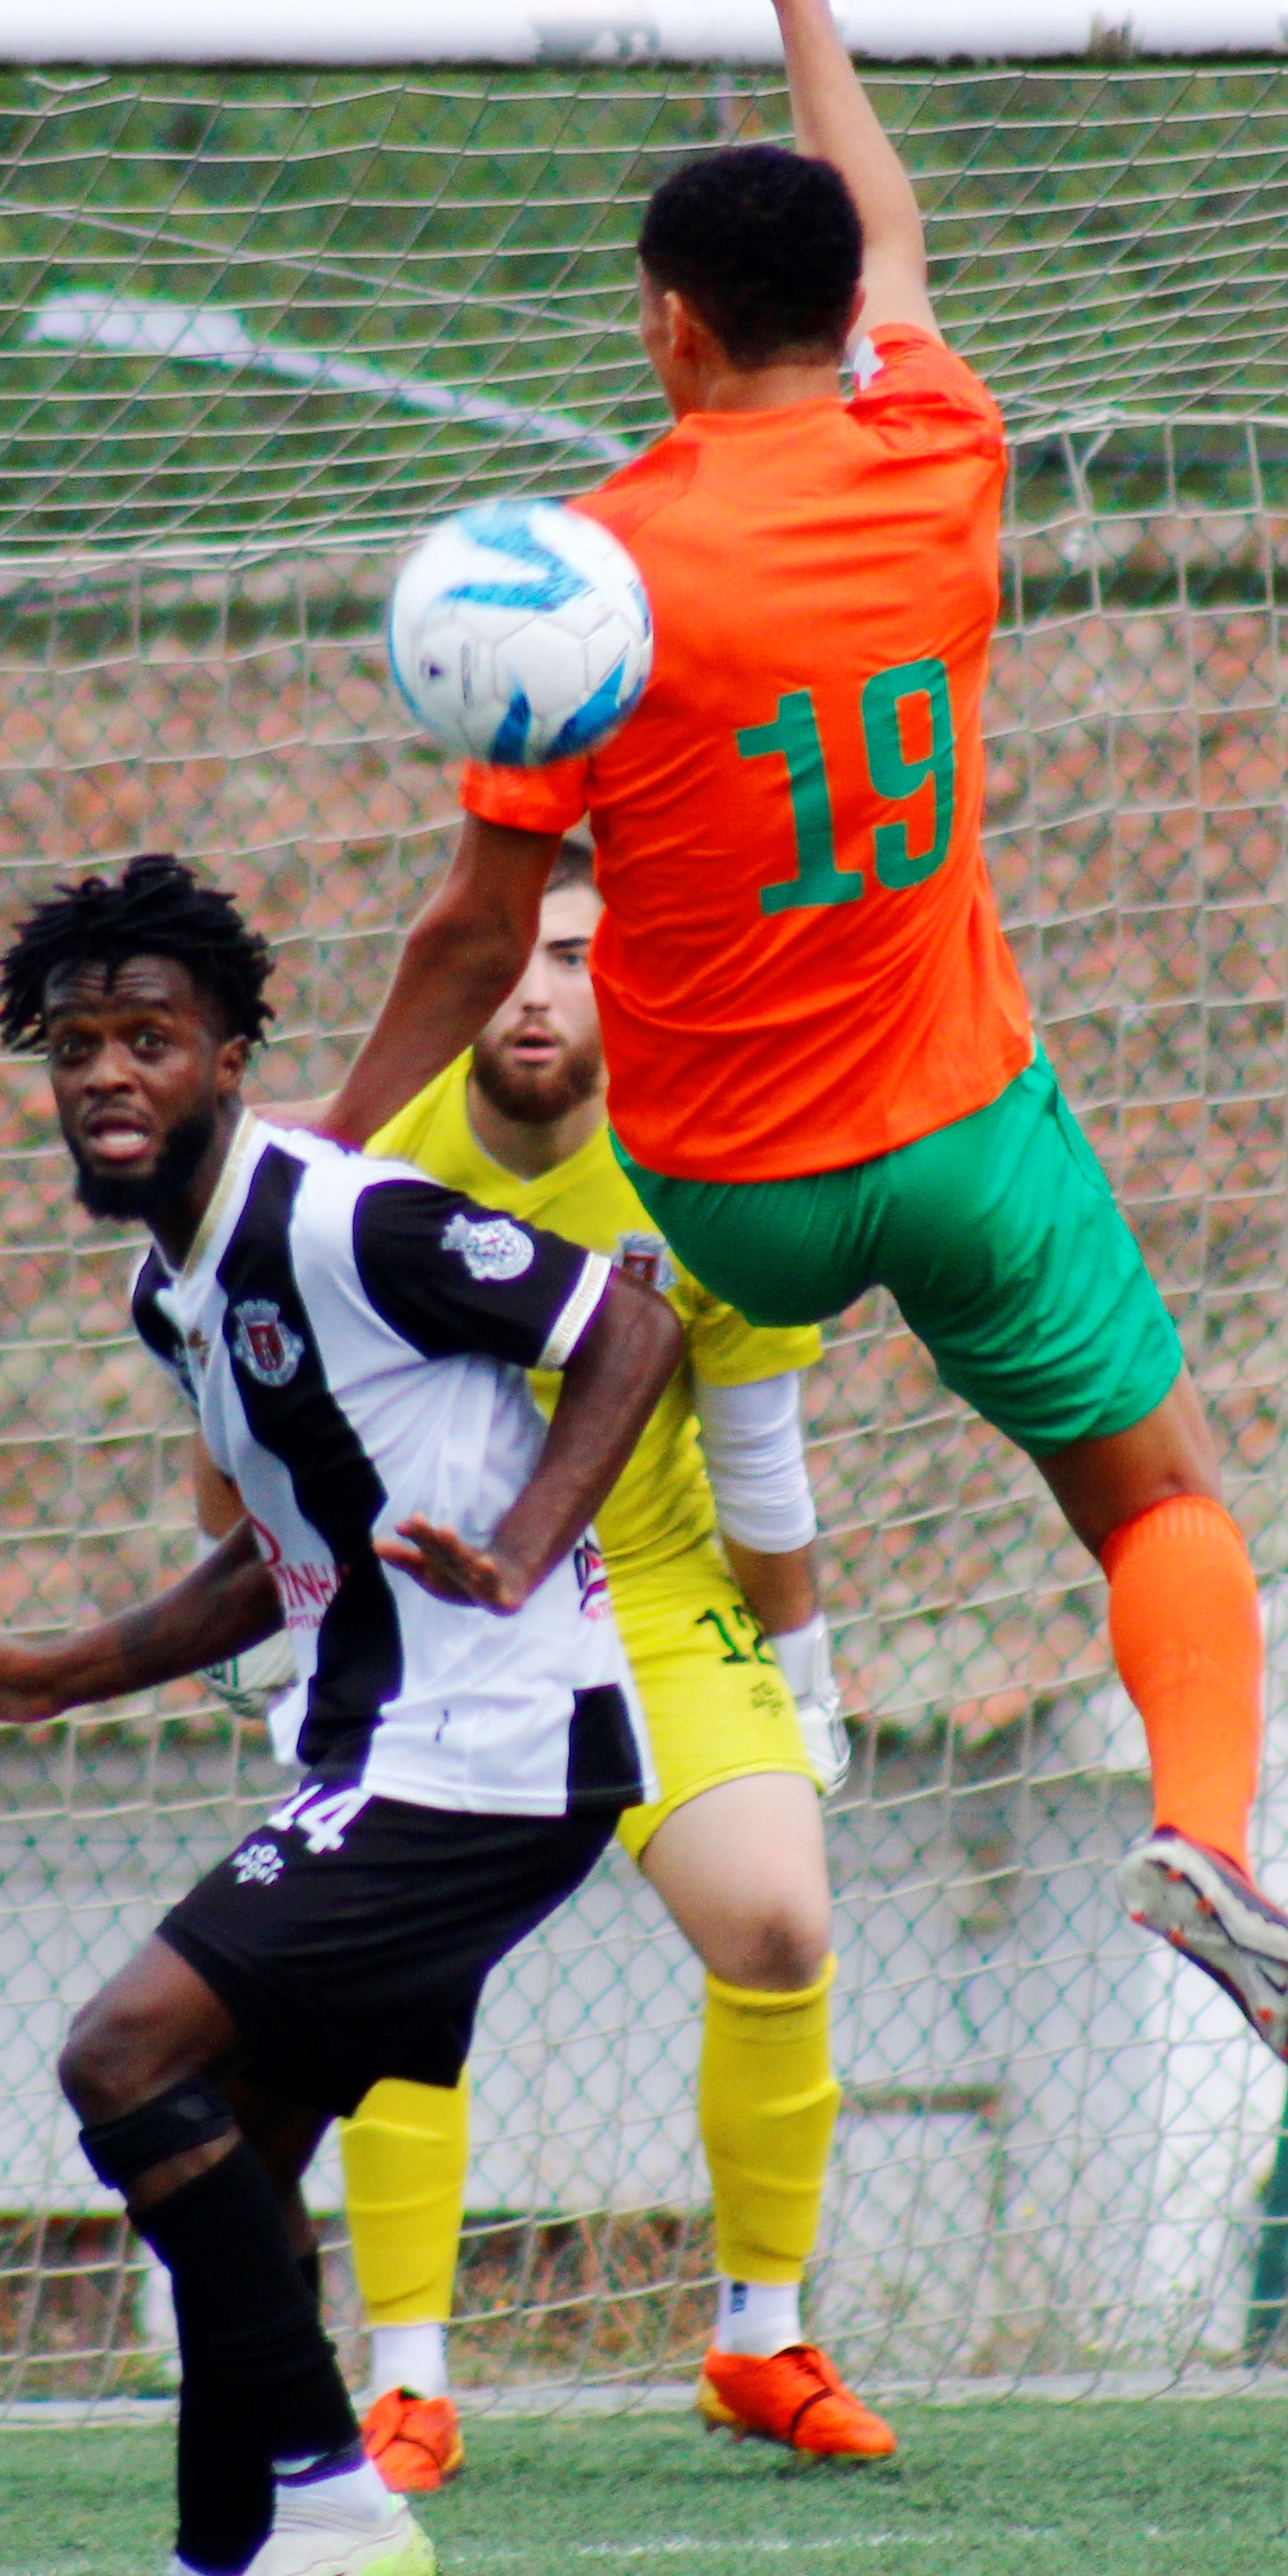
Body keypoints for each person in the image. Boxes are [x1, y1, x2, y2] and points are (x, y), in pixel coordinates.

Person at [317, 0, 1288, 2105]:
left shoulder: (592, 572)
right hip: (966, 1135)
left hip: (720, 1183)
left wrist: (306, 1164)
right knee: (1169, 1506)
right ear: (840, 328)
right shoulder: (946, 441)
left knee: (628, 1423)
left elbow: (476, 934)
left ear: (670, 329)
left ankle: (510, 1694)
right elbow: (889, 228)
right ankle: (1202, 1831)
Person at [0, 855, 686, 2576]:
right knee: (236, 2152)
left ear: (233, 1052)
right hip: (391, 1752)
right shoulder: (174, 1300)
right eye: (75, 1044)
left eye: (149, 1038)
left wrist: (527, 1536)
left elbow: (627, 1327)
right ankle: (218, 2560)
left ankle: (338, 2501)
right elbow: (281, 1551)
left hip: (490, 1751)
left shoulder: (341, 1216)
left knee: (118, 2053)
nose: (106, 1073)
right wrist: (61, 1670)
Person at [325, 843, 892, 2484]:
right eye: (509, 955)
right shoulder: (365, 1175)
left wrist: (808, 1671)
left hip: (648, 1591)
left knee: (781, 1921)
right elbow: (239, 1393)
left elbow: (763, 1463)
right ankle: (410, 2378)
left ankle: (757, 2339)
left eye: (576, 955)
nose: (537, 988)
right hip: (439, 1618)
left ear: (627, 982)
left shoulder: (711, 1172)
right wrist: (279, 1612)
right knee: (394, 1965)